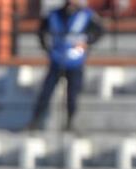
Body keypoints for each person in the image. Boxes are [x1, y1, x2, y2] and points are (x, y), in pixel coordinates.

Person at [26, 0, 103, 132]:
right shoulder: (54, 14)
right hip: (57, 60)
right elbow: (41, 31)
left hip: (75, 62)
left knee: (72, 94)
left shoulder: (86, 15)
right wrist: (47, 49)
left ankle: (70, 123)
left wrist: (87, 42)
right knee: (46, 93)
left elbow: (98, 32)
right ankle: (35, 121)